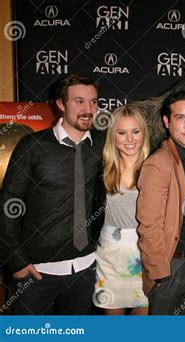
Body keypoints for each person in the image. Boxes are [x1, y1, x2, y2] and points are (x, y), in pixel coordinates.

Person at [0, 74, 104, 315]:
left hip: (85, 270)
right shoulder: (32, 146)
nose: (88, 109)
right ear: (61, 104)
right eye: (79, 101)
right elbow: (8, 205)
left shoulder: (102, 144)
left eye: (93, 102)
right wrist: (17, 262)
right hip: (36, 273)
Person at [137, 90, 185, 315]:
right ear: (167, 122)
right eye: (180, 118)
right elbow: (148, 223)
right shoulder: (158, 164)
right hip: (171, 267)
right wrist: (159, 271)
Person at [93, 105, 150, 315]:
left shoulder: (155, 167)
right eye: (121, 132)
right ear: (112, 136)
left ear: (144, 133)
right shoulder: (100, 167)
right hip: (108, 255)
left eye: (136, 131)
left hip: (144, 256)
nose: (130, 139)